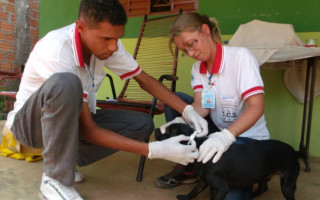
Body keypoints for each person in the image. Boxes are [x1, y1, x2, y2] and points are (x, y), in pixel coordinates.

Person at [1, 1, 209, 200]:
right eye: (106, 39)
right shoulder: (56, 50)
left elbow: (144, 79)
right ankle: (54, 180)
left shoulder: (108, 47)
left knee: (141, 124)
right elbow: (89, 129)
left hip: (70, 124)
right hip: (29, 128)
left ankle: (65, 160)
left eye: (118, 38)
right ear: (81, 28)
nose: (113, 47)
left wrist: (187, 110)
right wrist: (155, 150)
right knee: (66, 83)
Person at [155, 12, 270, 200]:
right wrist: (181, 118)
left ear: (205, 31)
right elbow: (202, 106)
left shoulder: (240, 58)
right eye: (185, 51)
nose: (191, 53)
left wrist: (226, 136)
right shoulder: (198, 69)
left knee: (230, 194)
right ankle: (191, 166)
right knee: (176, 101)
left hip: (246, 139)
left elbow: (256, 107)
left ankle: (212, 165)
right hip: (216, 131)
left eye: (192, 44)